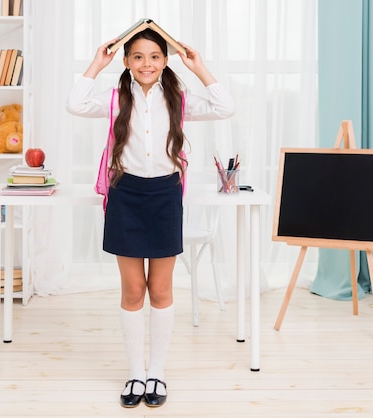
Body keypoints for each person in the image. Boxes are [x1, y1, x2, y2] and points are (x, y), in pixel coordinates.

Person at [67, 28, 234, 408]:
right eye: (138, 56)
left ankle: (156, 372)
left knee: (160, 289)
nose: (147, 64)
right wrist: (97, 62)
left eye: (155, 56)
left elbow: (225, 107)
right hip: (125, 195)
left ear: (166, 60)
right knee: (132, 291)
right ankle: (135, 374)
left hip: (164, 195)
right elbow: (75, 103)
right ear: (126, 61)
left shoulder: (178, 100)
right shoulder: (113, 100)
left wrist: (199, 66)